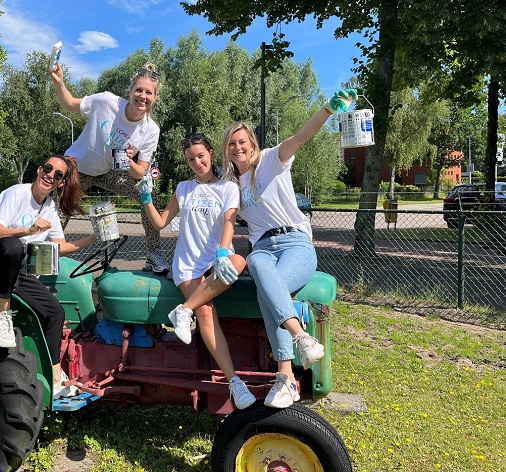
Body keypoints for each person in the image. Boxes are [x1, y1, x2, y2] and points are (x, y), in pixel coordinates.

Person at [216, 89, 358, 408]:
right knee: (257, 264)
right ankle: (301, 337)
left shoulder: (271, 159)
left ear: (251, 143)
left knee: (269, 288)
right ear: (226, 151)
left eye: (242, 141)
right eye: (231, 143)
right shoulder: (231, 188)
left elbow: (301, 136)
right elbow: (215, 216)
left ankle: (286, 377)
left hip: (295, 241)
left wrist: (327, 110)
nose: (238, 147)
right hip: (263, 247)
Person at [136, 133, 257, 409]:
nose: (197, 162)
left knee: (240, 262)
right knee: (206, 310)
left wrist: (224, 252)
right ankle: (234, 383)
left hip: (216, 258)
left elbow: (229, 223)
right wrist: (145, 196)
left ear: (211, 154)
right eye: (191, 159)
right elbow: (160, 223)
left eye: (200, 156)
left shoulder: (228, 188)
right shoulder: (183, 188)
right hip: (188, 262)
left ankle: (183, 309)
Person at [0, 155, 96, 398]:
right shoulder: (17, 194)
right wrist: (29, 230)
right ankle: (2, 318)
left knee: (54, 312)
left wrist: (94, 238)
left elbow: (60, 245)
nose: (51, 175)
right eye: (48, 168)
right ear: (39, 170)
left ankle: (55, 377)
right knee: (14, 246)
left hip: (15, 268)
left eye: (58, 175)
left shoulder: (49, 208)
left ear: (61, 183)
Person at [50, 62, 169, 274]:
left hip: (109, 172)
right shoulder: (106, 102)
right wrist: (59, 82)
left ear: (155, 98)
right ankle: (46, 257)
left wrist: (131, 161)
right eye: (138, 90)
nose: (143, 96)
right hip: (78, 168)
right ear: (130, 91)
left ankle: (153, 253)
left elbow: (140, 172)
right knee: (58, 209)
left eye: (149, 93)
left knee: (147, 193)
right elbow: (69, 104)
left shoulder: (151, 129)